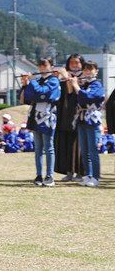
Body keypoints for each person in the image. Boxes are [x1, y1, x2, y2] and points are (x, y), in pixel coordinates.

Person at [21, 57, 61, 187]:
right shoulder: (38, 80)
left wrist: (32, 84)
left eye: (45, 65)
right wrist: (26, 83)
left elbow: (42, 92)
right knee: (38, 148)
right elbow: (29, 96)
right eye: (40, 66)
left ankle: (50, 176)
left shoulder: (54, 80)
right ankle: (39, 175)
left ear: (51, 67)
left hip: (48, 117)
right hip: (35, 116)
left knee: (49, 147)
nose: (42, 68)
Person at [70, 60, 104, 187]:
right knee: (84, 150)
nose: (87, 72)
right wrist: (76, 85)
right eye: (85, 69)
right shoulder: (83, 85)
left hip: (93, 119)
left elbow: (88, 97)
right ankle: (88, 175)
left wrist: (77, 87)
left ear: (96, 71)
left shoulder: (97, 85)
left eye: (90, 69)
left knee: (93, 150)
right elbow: (77, 99)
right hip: (82, 119)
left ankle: (95, 177)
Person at [54, 54, 85, 182]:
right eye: (72, 62)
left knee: (78, 145)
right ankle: (68, 172)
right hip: (64, 115)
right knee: (65, 143)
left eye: (77, 62)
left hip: (79, 115)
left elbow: (73, 92)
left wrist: (67, 78)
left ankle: (80, 173)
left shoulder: (84, 77)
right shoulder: (65, 77)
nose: (74, 65)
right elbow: (63, 93)